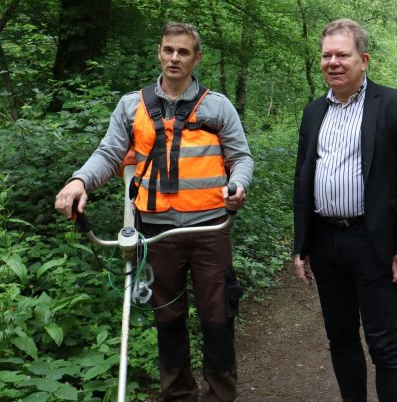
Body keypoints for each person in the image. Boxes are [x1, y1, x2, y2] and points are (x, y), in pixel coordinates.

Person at [54, 22, 253, 402]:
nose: (174, 58)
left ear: (197, 57)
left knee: (218, 316)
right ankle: (178, 395)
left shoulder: (218, 106)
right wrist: (79, 181)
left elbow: (241, 158)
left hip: (210, 228)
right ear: (159, 53)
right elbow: (109, 154)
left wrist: (238, 185)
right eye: (168, 50)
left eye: (183, 51)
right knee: (168, 318)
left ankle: (220, 395)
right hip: (156, 233)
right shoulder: (133, 105)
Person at [292, 18, 397, 402]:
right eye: (326, 55)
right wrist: (300, 245)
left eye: (342, 55)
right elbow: (302, 180)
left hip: (373, 241)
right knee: (341, 340)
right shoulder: (314, 111)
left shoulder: (395, 106)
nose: (333, 62)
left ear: (363, 59)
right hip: (325, 240)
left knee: (383, 344)